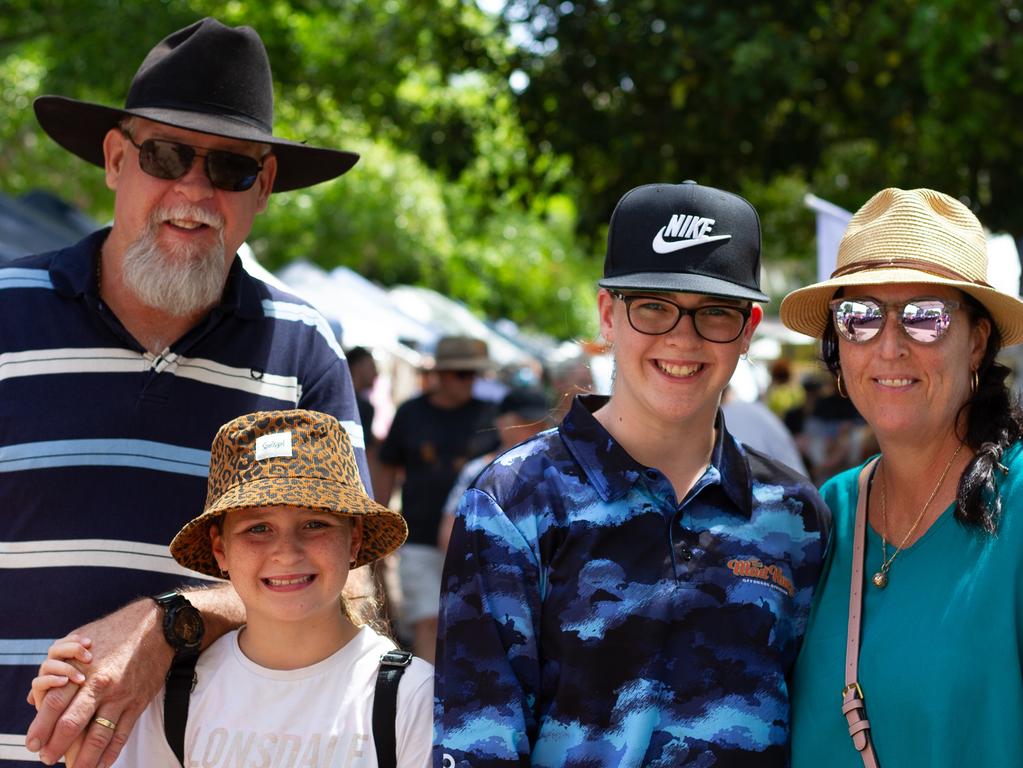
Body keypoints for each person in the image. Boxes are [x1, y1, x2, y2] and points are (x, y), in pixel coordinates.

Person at [3, 18, 369, 768]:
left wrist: (167, 625)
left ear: (262, 187)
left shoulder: (303, 350)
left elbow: (347, 582)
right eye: (166, 155)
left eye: (230, 168)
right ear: (115, 159)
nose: (193, 191)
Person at [435, 181, 832, 767]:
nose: (682, 337)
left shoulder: (794, 515)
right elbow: (476, 746)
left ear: (748, 330)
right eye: (653, 306)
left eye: (714, 314)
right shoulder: (512, 503)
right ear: (607, 315)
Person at [28, 409, 432, 767]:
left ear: (355, 539)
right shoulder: (176, 695)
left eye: (315, 524)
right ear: (220, 549)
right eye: (258, 528)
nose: (286, 553)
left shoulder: (409, 698)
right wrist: (74, 736)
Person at [779, 187, 1023, 766]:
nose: (889, 346)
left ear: (977, 341)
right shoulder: (826, 514)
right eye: (859, 316)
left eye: (924, 317)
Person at [375, 335, 499, 662]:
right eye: (462, 374)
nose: (470, 382)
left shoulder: (489, 416)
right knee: (428, 622)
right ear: (440, 375)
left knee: (465, 625)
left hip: (475, 540)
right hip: (419, 534)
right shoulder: (411, 413)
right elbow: (387, 465)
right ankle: (426, 704)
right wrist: (378, 522)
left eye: (475, 374)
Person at [436, 386, 554, 553]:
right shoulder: (478, 471)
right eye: (526, 422)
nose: (536, 429)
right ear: (501, 422)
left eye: (542, 424)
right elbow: (450, 530)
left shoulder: (557, 473)